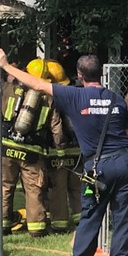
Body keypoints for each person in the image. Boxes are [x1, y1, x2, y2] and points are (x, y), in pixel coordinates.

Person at [0, 47, 128, 256]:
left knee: (90, 217)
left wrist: (6, 66)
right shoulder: (117, 100)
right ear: (100, 75)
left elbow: (37, 84)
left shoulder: (74, 97)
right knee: (124, 221)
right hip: (125, 165)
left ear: (80, 75)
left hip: (96, 170)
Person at [0, 63, 57, 237]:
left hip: (7, 146)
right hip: (32, 150)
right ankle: (37, 228)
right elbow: (55, 126)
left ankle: (2, 224)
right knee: (33, 189)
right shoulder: (48, 98)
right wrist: (59, 148)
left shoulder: (9, 89)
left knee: (5, 186)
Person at [43, 62, 80, 234]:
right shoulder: (76, 95)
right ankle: (81, 220)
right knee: (77, 187)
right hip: (78, 149)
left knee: (58, 188)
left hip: (60, 151)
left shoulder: (52, 99)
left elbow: (55, 126)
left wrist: (59, 151)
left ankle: (59, 224)